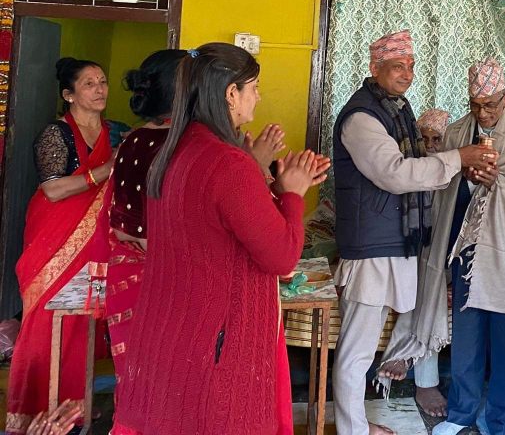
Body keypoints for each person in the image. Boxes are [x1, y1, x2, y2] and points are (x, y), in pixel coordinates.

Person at [110, 43, 329, 435]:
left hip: (180, 332)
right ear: (231, 93)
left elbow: (223, 230)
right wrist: (293, 194)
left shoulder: (176, 151)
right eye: (255, 87)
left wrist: (274, 185)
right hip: (218, 341)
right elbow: (281, 258)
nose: (259, 97)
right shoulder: (227, 162)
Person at [331, 32, 496, 435]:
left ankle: (358, 423)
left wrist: (461, 169)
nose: (406, 74)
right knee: (356, 352)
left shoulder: (398, 111)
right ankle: (352, 430)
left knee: (367, 347)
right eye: (396, 66)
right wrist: (458, 158)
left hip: (392, 242)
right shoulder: (362, 118)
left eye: (410, 66)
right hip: (371, 248)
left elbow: (420, 172)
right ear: (374, 69)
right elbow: (395, 174)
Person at [426, 58, 505, 435]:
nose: (483, 113)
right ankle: (460, 415)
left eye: (491, 105)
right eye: (476, 105)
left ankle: (501, 422)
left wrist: (498, 181)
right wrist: (463, 176)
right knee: (466, 341)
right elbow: (441, 190)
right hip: (467, 252)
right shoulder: (455, 134)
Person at [5, 58, 129, 433]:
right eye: (89, 83)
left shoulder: (117, 133)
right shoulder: (55, 135)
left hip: (95, 240)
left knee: (83, 324)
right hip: (54, 237)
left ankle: (74, 406)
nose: (99, 88)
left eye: (103, 81)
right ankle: (33, 411)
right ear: (68, 94)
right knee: (48, 320)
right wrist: (104, 171)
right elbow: (54, 189)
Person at [106, 49, 186, 385]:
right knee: (168, 383)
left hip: (127, 272)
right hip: (163, 276)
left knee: (139, 381)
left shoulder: (133, 139)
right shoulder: (177, 145)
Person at [377, 107, 453, 421]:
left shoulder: (454, 173)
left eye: (438, 139)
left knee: (429, 288)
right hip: (412, 254)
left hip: (446, 259)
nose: (432, 145)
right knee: (421, 289)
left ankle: (404, 357)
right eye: (425, 138)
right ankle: (424, 382)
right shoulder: (406, 168)